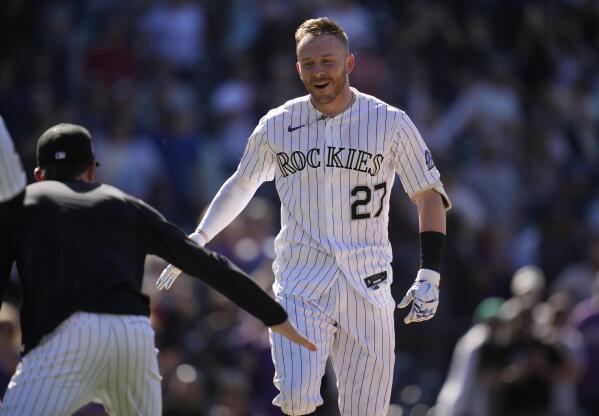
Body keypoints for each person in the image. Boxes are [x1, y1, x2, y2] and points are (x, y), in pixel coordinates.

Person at [157, 17, 450, 416]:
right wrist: (200, 236)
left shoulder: (390, 121)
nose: (318, 71)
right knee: (295, 400)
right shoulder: (278, 124)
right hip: (300, 281)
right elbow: (242, 184)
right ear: (298, 69)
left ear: (349, 63)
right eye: (309, 63)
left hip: (368, 281)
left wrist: (429, 274)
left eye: (327, 61)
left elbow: (428, 194)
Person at [0, 118, 316, 415]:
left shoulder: (21, 207)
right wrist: (273, 315)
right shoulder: (129, 207)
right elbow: (203, 261)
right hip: (131, 337)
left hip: (58, 339)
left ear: (39, 175)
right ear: (90, 171)